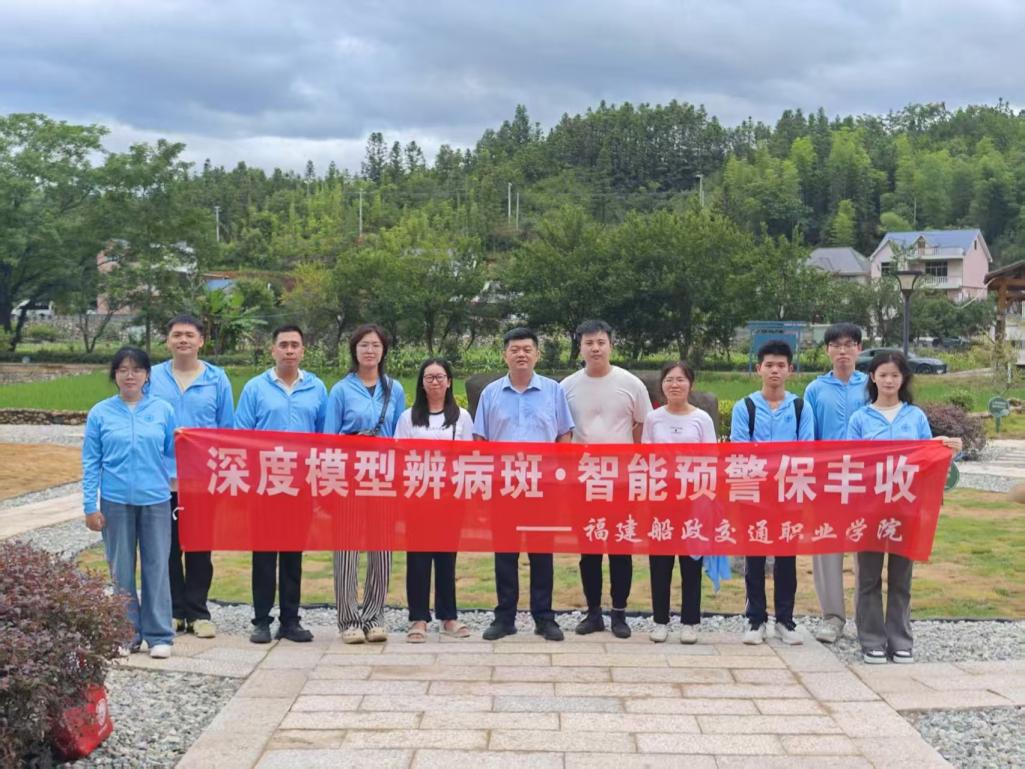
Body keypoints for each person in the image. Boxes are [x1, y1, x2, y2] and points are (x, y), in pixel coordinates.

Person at [847, 351, 961, 664]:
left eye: (895, 375)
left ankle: (900, 639)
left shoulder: (915, 417)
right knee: (868, 578)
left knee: (901, 578)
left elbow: (929, 459)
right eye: (883, 374)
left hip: (906, 508)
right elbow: (849, 462)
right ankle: (871, 640)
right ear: (872, 377)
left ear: (903, 379)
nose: (888, 381)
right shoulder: (859, 419)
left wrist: (949, 449)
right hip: (869, 508)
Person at [474, 327, 574, 642]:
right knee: (505, 553)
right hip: (504, 486)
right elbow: (481, 439)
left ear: (537, 354)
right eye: (515, 349)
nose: (521, 354)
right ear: (504, 355)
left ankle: (544, 618)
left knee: (542, 552)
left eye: (527, 349)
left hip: (543, 486)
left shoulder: (553, 390)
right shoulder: (491, 393)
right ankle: (504, 618)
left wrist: (558, 473)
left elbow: (565, 434)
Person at [82, 346, 177, 659]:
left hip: (156, 501)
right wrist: (90, 506)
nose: (130, 375)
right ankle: (125, 634)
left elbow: (173, 452)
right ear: (115, 375)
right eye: (123, 369)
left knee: (157, 567)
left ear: (147, 375)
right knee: (121, 569)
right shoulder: (101, 413)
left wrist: (175, 480)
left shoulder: (162, 410)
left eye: (136, 369)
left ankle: (159, 635)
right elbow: (91, 462)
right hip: (115, 501)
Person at [235, 325, 327, 644]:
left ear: (303, 351)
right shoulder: (255, 388)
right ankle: (261, 620)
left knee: (292, 554)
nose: (289, 350)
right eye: (283, 344)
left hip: (300, 485)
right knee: (263, 555)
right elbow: (241, 436)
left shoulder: (316, 388)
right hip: (264, 483)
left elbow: (323, 437)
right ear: (273, 350)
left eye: (295, 345)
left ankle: (290, 620)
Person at [560, 319, 651, 638]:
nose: (595, 348)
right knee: (589, 549)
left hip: (620, 481)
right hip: (583, 481)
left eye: (601, 342)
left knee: (620, 547)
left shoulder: (631, 384)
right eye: (589, 343)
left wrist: (629, 464)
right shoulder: (567, 386)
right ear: (580, 348)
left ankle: (620, 613)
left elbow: (643, 425)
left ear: (611, 345)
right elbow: (563, 430)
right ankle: (593, 612)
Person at [149, 314, 234, 639]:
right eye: (176, 335)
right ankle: (173, 610)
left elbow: (226, 430)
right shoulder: (153, 377)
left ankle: (198, 612)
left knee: (200, 548)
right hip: (161, 479)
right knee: (167, 548)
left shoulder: (217, 379)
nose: (183, 340)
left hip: (201, 481)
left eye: (189, 335)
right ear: (168, 341)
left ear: (201, 341)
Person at [324, 323, 406, 644]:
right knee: (346, 548)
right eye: (364, 345)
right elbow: (329, 438)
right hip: (348, 475)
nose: (370, 351)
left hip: (383, 475)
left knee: (381, 548)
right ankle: (348, 620)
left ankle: (374, 616)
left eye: (375, 345)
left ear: (383, 351)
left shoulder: (394, 389)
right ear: (354, 350)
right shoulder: (341, 390)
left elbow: (399, 435)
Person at [730, 339, 815, 646]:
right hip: (753, 491)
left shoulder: (801, 407)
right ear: (759, 369)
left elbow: (805, 450)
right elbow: (741, 451)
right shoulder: (745, 407)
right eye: (769, 365)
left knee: (786, 558)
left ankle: (785, 620)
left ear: (790, 370)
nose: (775, 371)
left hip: (789, 492)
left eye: (781, 365)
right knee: (754, 557)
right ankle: (755, 619)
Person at [395, 358, 474, 643]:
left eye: (440, 377)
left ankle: (448, 617)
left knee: (446, 557)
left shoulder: (461, 417)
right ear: (421, 383)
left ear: (449, 381)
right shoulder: (408, 417)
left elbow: (468, 456)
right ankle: (418, 618)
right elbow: (400, 455)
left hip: (450, 498)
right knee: (417, 558)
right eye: (429, 377)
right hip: (418, 496)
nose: (435, 382)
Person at [642, 361, 720, 644]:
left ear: (690, 384)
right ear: (662, 385)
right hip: (661, 500)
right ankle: (660, 621)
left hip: (693, 500)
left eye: (680, 379)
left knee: (691, 563)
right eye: (669, 380)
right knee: (660, 563)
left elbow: (711, 460)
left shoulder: (701, 419)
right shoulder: (653, 419)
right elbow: (647, 458)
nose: (674, 385)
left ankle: (690, 622)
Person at [803, 322, 867, 644]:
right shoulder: (815, 390)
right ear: (827, 350)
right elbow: (808, 437)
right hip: (827, 478)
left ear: (859, 348)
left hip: (865, 478)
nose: (843, 351)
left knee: (865, 547)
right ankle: (832, 616)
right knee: (827, 545)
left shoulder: (871, 385)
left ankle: (866, 618)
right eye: (836, 345)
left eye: (849, 344)